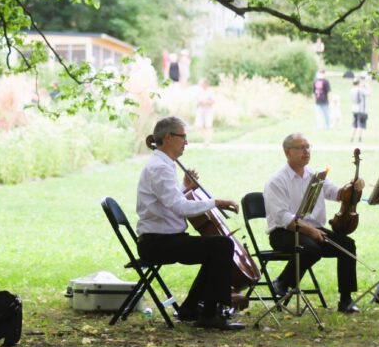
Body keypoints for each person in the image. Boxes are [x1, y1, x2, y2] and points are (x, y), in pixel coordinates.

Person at [135, 117, 243, 330]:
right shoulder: (160, 167)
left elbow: (169, 201)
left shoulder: (163, 165)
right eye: (183, 137)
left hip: (163, 239)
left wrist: (184, 187)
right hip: (158, 243)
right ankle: (210, 313)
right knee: (222, 246)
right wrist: (216, 202)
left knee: (216, 247)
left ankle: (191, 308)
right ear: (168, 137)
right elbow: (179, 207)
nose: (186, 142)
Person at [263, 133, 365, 314]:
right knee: (311, 248)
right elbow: (282, 217)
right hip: (283, 232)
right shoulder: (277, 180)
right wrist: (309, 231)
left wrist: (353, 186)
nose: (306, 151)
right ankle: (283, 282)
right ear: (287, 152)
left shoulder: (315, 176)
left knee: (347, 245)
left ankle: (346, 300)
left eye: (308, 147)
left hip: (312, 230)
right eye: (300, 148)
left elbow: (336, 193)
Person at [193, 78, 215, 145]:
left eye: (202, 83)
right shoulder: (198, 91)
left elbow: (212, 101)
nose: (200, 85)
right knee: (198, 126)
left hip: (208, 110)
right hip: (200, 109)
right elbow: (196, 99)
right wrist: (198, 102)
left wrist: (204, 101)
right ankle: (207, 138)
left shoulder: (210, 91)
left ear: (206, 84)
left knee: (208, 125)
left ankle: (207, 141)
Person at [349, 77, 369, 143]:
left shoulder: (351, 90)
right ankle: (359, 138)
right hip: (361, 110)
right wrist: (367, 86)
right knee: (361, 125)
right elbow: (369, 93)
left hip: (354, 109)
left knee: (354, 125)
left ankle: (352, 138)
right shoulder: (361, 90)